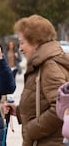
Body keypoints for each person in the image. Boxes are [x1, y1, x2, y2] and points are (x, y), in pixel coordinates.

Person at [4, 14, 69, 145]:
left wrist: (31, 130)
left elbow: (61, 108)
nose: (20, 48)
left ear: (36, 41)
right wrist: (18, 111)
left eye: (22, 43)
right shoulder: (41, 65)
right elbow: (40, 103)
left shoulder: (49, 66)